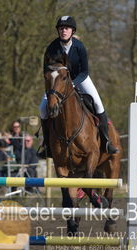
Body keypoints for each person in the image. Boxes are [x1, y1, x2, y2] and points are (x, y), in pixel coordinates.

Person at [38, 16, 118, 158]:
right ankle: (47, 145)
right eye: (61, 28)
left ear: (72, 31)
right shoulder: (52, 48)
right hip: (57, 83)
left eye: (66, 28)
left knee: (98, 104)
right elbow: (46, 70)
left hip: (79, 79)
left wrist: (73, 84)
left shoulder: (79, 47)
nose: (63, 31)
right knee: (42, 109)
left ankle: (106, 142)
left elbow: (85, 71)